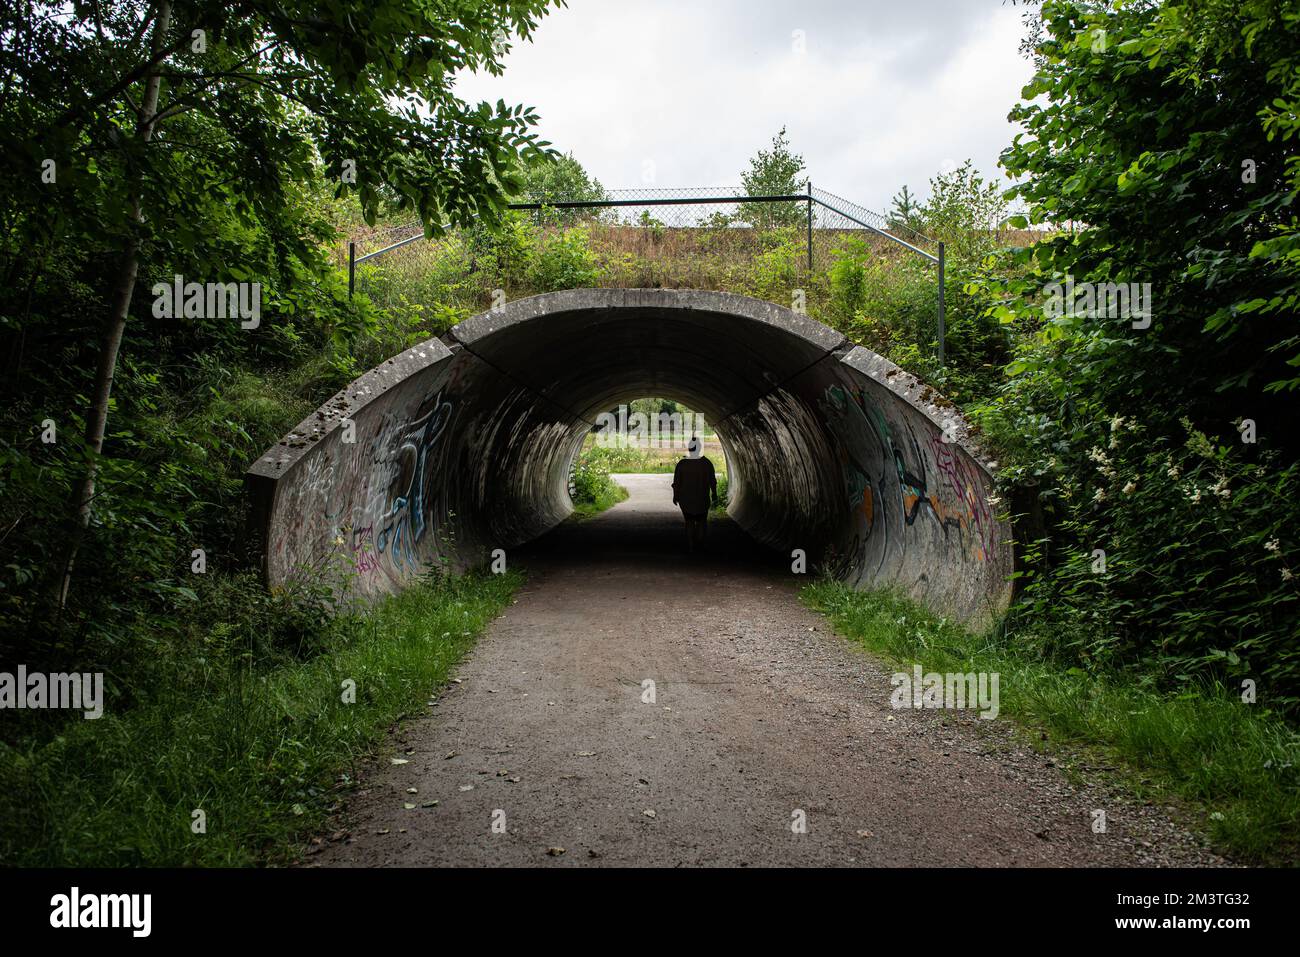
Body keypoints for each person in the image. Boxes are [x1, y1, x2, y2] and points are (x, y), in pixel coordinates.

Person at [671, 435, 717, 553]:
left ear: (689, 448)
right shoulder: (707, 464)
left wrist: (675, 496)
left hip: (686, 500)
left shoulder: (682, 464)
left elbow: (677, 483)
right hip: (702, 499)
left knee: (689, 522)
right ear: (700, 448)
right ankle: (700, 545)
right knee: (702, 522)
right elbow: (713, 481)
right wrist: (714, 494)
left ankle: (691, 546)